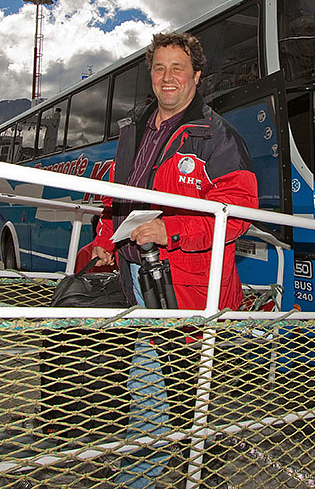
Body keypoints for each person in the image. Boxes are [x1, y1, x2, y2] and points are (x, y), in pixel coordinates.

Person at [91, 31, 258, 487]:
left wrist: (173, 230)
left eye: (177, 68)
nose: (168, 77)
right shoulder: (133, 131)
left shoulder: (216, 135)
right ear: (151, 75)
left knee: (174, 389)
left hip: (186, 282)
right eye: (159, 68)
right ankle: (194, 466)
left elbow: (238, 214)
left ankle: (175, 470)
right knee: (163, 386)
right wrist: (106, 239)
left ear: (196, 76)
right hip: (135, 274)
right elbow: (119, 198)